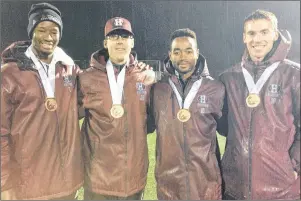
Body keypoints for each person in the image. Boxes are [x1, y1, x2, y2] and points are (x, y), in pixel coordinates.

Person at [0, 2, 83, 200]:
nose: (48, 37)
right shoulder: (9, 74)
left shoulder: (70, 70)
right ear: (31, 32)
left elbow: (95, 95)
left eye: (54, 31)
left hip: (66, 185)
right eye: (42, 30)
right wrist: (4, 183)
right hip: (29, 186)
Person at [217, 9, 300, 200]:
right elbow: (222, 127)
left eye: (264, 32)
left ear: (275, 34)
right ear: (244, 37)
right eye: (252, 33)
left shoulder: (294, 75)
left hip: (282, 189)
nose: (257, 39)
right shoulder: (228, 78)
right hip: (235, 187)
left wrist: (294, 165)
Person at [78, 17, 154, 200]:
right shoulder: (86, 79)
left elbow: (151, 122)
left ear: (132, 42)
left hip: (133, 179)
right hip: (98, 179)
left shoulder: (146, 77)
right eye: (114, 36)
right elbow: (67, 118)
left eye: (125, 36)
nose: (120, 40)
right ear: (105, 42)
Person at [147, 28, 225, 200]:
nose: (183, 56)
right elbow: (145, 126)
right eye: (177, 51)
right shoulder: (157, 89)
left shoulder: (216, 88)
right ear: (170, 54)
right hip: (169, 185)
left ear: (197, 52)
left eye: (189, 50)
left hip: (206, 185)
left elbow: (228, 131)